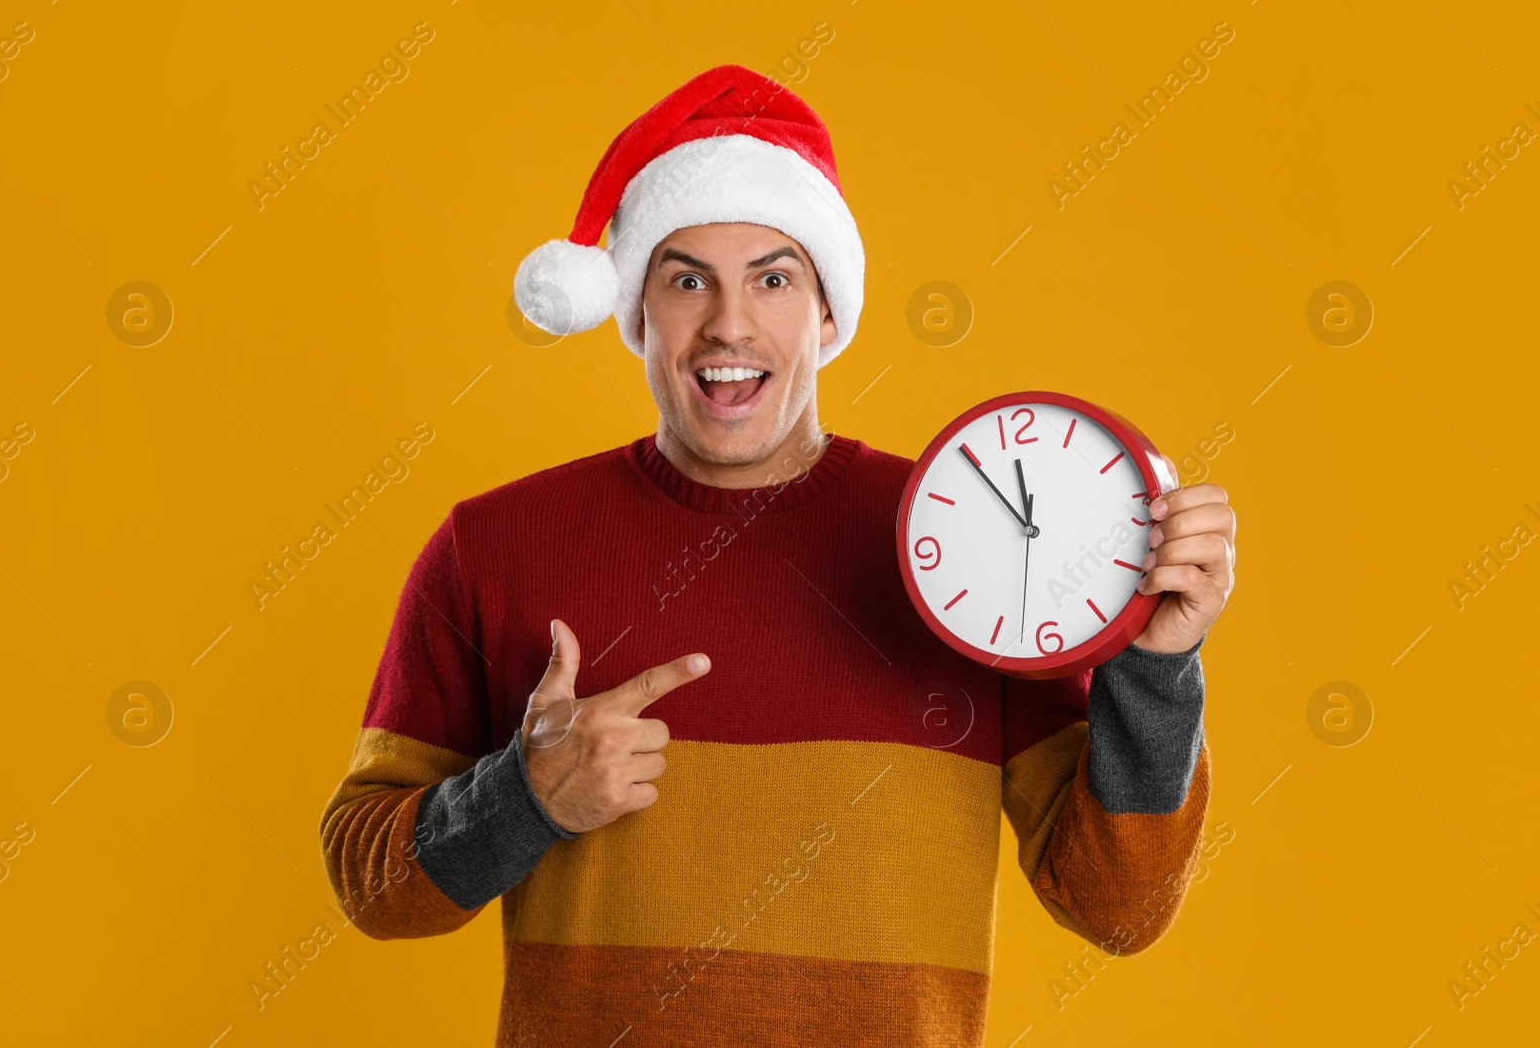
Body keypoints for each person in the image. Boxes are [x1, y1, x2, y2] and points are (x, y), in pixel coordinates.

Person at [319, 63, 1237, 1046]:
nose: (729, 322)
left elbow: (1118, 908)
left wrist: (1152, 664)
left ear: (828, 314)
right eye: (685, 279)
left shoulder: (966, 556)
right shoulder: (493, 546)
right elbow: (371, 885)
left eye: (773, 275)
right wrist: (524, 796)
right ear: (636, 314)